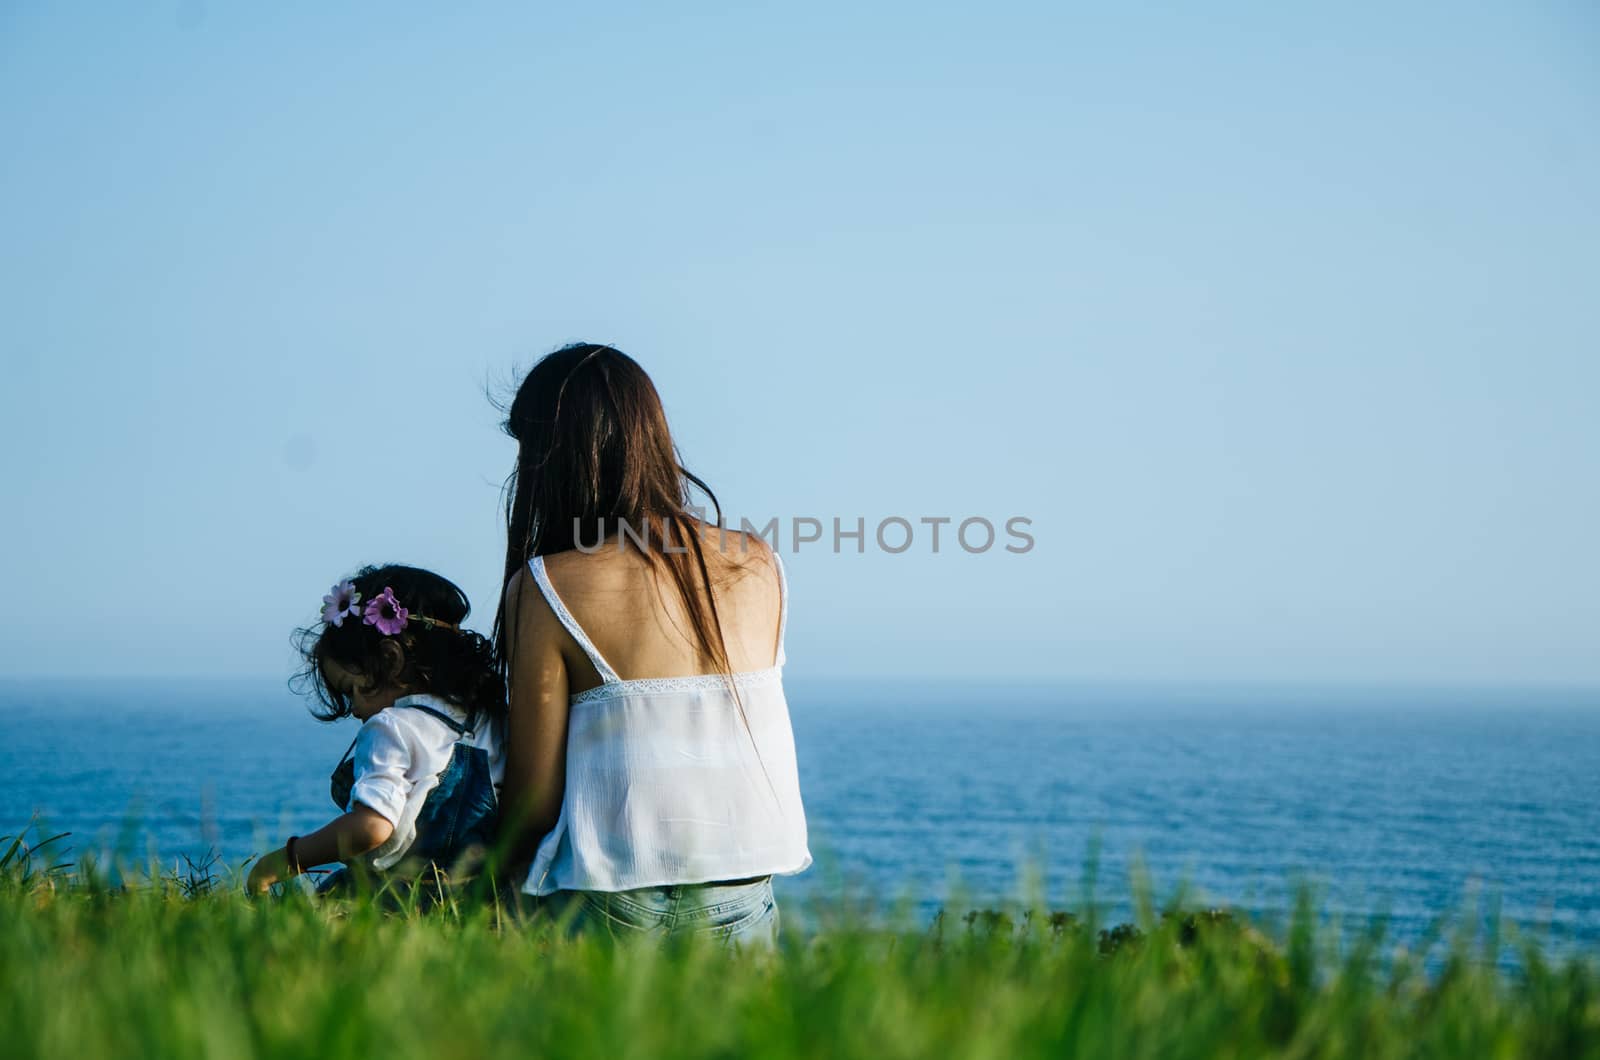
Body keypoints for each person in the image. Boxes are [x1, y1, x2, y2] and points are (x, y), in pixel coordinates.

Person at [495, 342, 810, 945]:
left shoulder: (548, 584)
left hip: (612, 901)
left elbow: (532, 809)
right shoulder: (758, 564)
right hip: (744, 889)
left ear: (552, 457)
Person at [247, 564, 505, 896]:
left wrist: (289, 858)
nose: (354, 709)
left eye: (352, 688)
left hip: (395, 896)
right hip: (481, 897)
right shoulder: (490, 720)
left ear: (391, 658)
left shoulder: (390, 727)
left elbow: (372, 826)